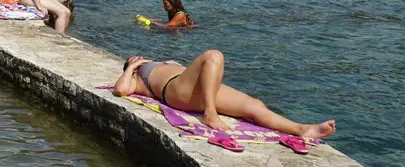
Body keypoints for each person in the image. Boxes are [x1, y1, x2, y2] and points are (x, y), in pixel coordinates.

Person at [114, 50, 336, 139]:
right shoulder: (137, 75)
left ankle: (302, 129)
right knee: (213, 55)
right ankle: (210, 113)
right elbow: (121, 90)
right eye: (132, 57)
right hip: (175, 91)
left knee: (255, 105)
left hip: (196, 89)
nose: (138, 56)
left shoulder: (160, 62)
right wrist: (131, 68)